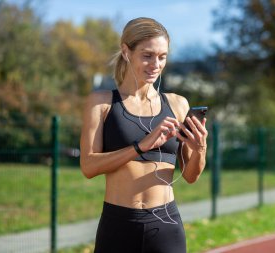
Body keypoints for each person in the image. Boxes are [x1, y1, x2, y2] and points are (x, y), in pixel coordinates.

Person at [80, 17, 208, 253]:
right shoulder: (101, 103)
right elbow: (88, 166)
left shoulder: (178, 104)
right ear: (126, 51)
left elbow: (191, 176)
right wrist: (140, 146)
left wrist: (200, 148)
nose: (156, 65)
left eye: (162, 57)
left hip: (166, 225)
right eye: (147, 55)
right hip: (118, 225)